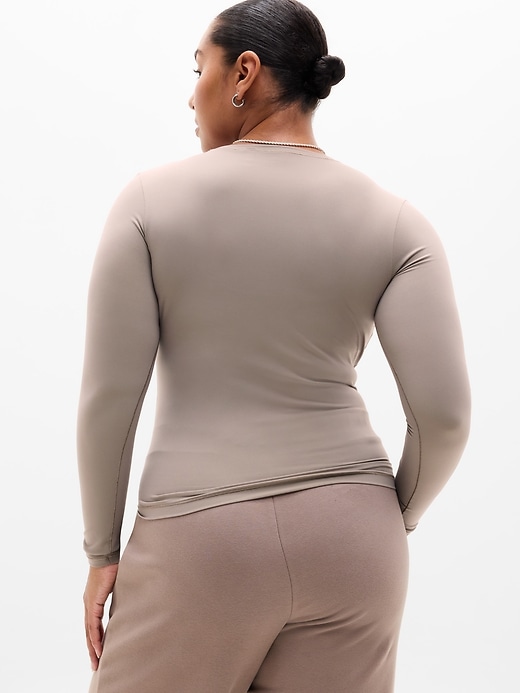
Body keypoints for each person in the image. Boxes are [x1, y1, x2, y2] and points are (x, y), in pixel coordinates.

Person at [77, 0, 471, 691]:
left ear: (244, 73)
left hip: (200, 538)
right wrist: (387, 516)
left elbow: (110, 399)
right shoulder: (398, 223)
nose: (191, 95)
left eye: (199, 69)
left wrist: (102, 550)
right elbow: (445, 418)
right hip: (356, 545)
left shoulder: (147, 204)